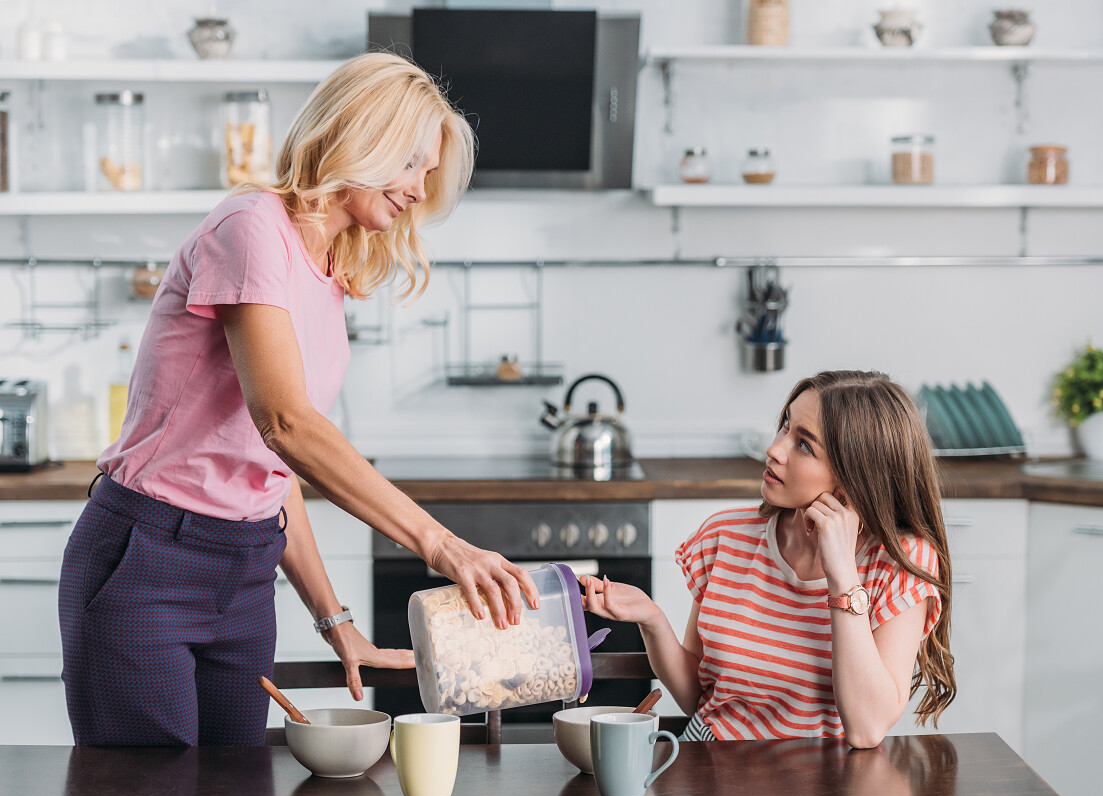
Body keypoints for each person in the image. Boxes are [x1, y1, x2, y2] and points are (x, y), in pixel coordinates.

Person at [58, 52, 538, 748]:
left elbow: (271, 469)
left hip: (246, 573)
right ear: (357, 136)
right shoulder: (252, 228)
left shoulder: (329, 269)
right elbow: (285, 423)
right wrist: (444, 545)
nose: (418, 187)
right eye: (410, 162)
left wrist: (333, 619)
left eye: (429, 171)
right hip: (150, 557)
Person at [581, 370, 956, 748]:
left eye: (804, 445)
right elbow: (699, 700)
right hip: (711, 765)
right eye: (786, 427)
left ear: (856, 477)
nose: (774, 450)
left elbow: (866, 728)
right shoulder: (724, 537)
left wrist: (842, 574)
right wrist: (653, 621)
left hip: (828, 788)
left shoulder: (900, 563)